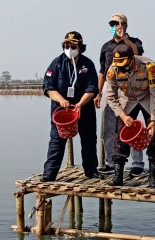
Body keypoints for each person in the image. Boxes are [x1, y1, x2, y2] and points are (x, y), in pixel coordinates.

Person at [41, 31, 99, 181]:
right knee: (56, 140)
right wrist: (61, 100)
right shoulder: (56, 63)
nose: (69, 48)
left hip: (83, 108)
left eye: (73, 46)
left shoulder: (88, 64)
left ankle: (91, 170)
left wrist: (80, 103)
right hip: (62, 109)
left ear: (80, 47)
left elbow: (92, 88)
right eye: (66, 45)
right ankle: (49, 173)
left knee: (89, 139)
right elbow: (48, 87)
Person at [94, 13, 145, 176]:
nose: (114, 27)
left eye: (117, 24)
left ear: (125, 25)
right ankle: (111, 162)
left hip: (130, 89)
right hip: (111, 88)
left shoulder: (134, 42)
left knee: (132, 125)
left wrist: (125, 38)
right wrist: (98, 93)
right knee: (109, 128)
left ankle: (137, 163)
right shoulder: (106, 46)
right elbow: (102, 71)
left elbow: (138, 56)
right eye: (112, 24)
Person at [106, 44, 155, 187]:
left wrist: (154, 119)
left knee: (154, 136)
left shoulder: (149, 66)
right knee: (120, 135)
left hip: (147, 99)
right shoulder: (113, 70)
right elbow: (111, 97)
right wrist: (123, 116)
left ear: (132, 59)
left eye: (124, 64)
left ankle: (153, 177)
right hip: (127, 100)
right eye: (118, 64)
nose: (121, 67)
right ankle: (118, 176)